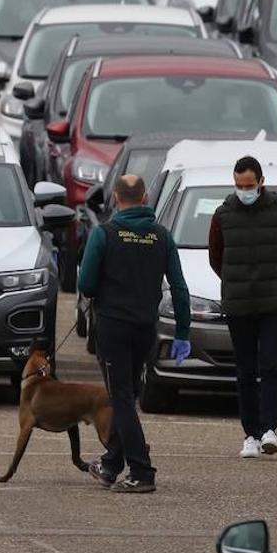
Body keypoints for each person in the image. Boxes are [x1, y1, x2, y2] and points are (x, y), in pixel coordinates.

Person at [77, 174, 191, 493]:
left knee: (121, 397)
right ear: (145, 199)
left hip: (113, 326)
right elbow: (179, 288)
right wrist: (182, 330)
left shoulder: (104, 234)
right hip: (145, 328)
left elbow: (85, 284)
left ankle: (142, 470)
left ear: (115, 198)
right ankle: (112, 463)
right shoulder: (162, 236)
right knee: (127, 395)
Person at [208, 155, 277, 459]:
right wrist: (236, 281)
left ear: (261, 182)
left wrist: (274, 278)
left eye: (248, 185)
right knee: (245, 370)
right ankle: (250, 434)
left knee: (272, 365)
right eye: (239, 185)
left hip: (273, 302)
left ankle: (269, 429)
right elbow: (216, 258)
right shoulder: (222, 215)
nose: (244, 191)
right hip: (238, 304)